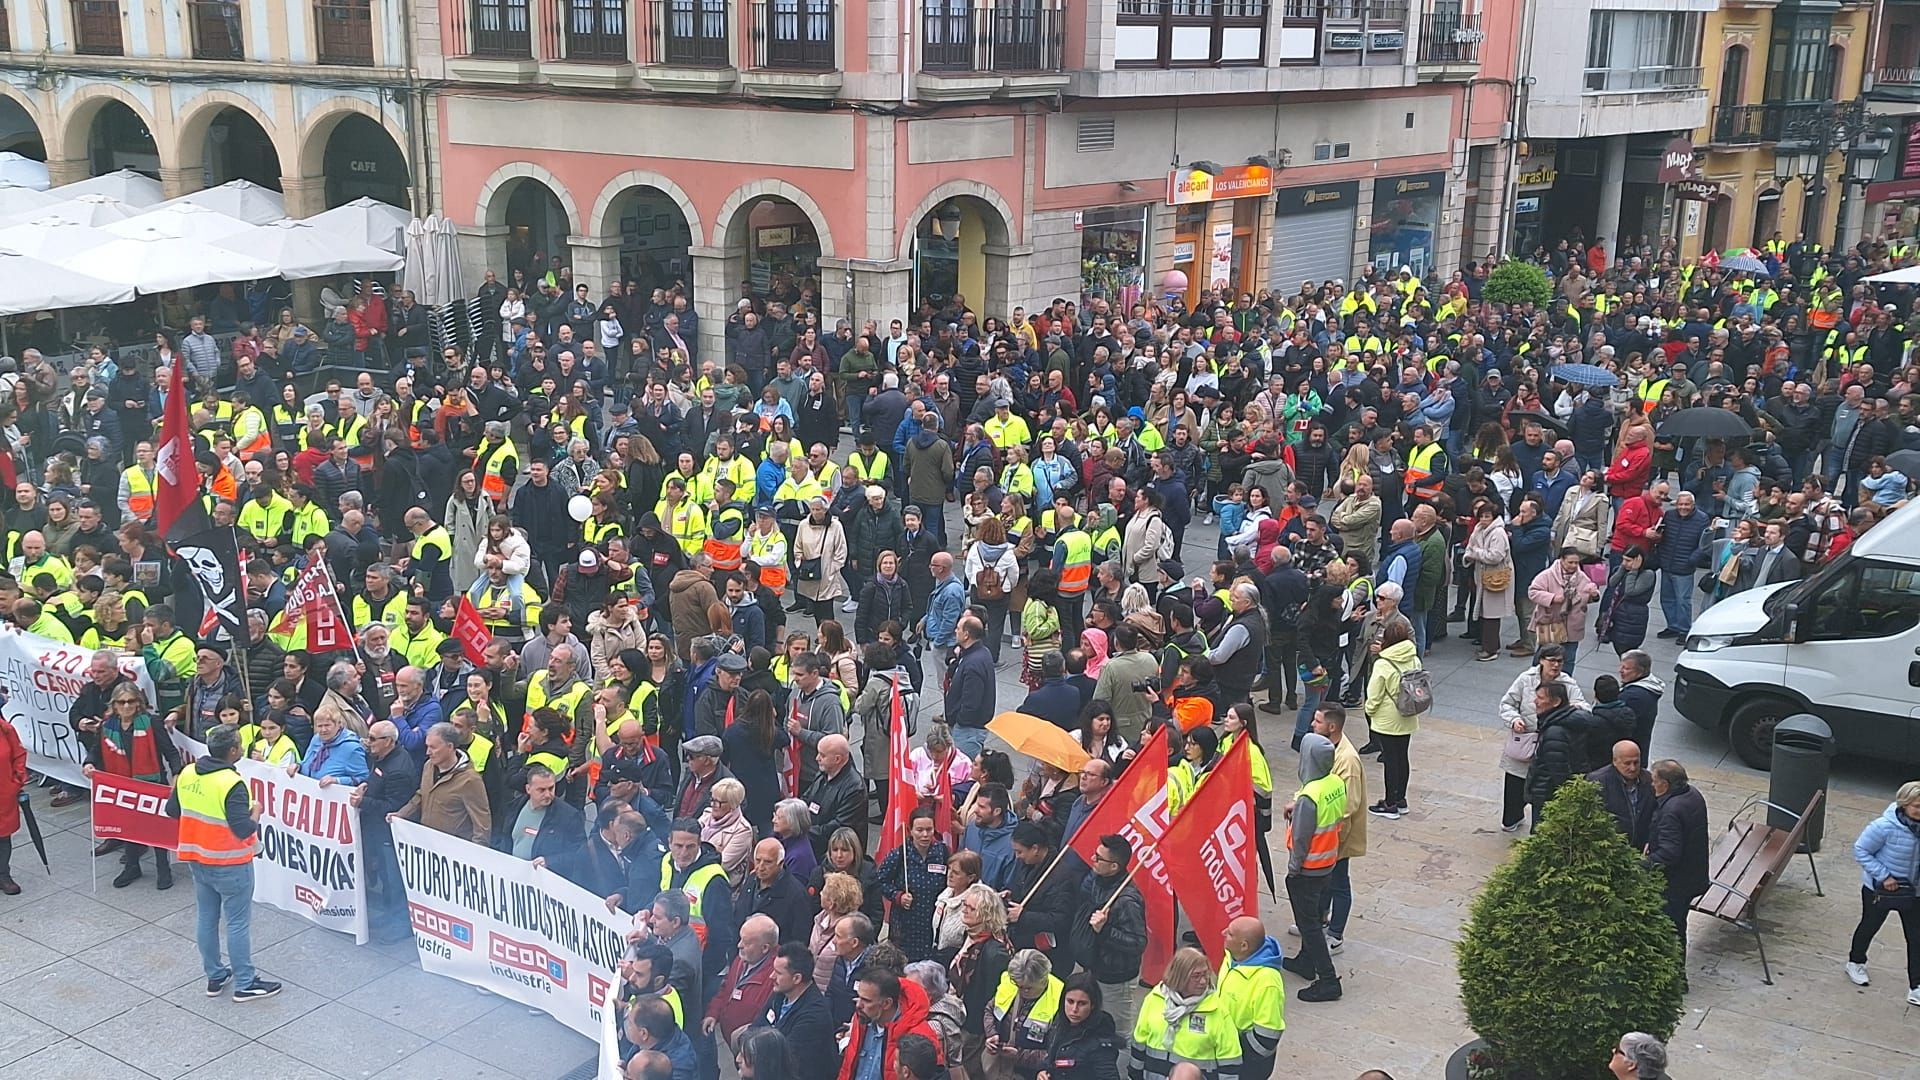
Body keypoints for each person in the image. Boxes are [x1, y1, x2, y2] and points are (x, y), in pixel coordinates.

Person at [164, 723, 281, 1001]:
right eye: (239, 745)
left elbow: (172, 811)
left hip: (197, 859)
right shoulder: (232, 782)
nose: (241, 748)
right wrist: (257, 812)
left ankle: (215, 976)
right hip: (229, 863)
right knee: (237, 922)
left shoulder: (188, 772)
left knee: (206, 917)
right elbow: (243, 829)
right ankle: (245, 982)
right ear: (232, 751)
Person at [1496, 645, 1587, 832]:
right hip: (1524, 742)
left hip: (1550, 744)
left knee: (1541, 788)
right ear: (1541, 660)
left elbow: (1582, 707)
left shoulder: (1568, 684)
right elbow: (1507, 703)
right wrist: (1514, 720)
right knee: (1515, 785)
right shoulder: (1525, 679)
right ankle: (1513, 817)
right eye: (1551, 660)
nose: (1555, 665)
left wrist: (1567, 713)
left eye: (1559, 661)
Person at [1283, 733, 1345, 1002]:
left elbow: (1301, 838)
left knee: (1309, 925)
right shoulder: (1334, 783)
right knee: (1315, 918)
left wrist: (1293, 868)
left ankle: (1328, 980)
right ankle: (1305, 961)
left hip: (1307, 868)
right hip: (1327, 863)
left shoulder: (1309, 795)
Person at [1127, 947, 1241, 1080]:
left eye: (1205, 974)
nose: (1203, 981)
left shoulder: (1216, 1009)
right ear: (1179, 976)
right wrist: (1134, 1076)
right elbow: (1139, 1042)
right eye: (1196, 976)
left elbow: (1230, 1060)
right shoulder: (1154, 999)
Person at [1645, 758, 1709, 961]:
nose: (1651, 784)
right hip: (1693, 876)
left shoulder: (1671, 810)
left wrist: (1641, 863)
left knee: (1672, 928)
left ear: (1665, 784)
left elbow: (1669, 854)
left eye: (1654, 780)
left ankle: (1676, 975)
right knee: (1678, 925)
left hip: (1676, 884)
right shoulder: (1692, 795)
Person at [948, 882, 1013, 1076]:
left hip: (974, 1027)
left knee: (968, 1072)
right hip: (960, 1016)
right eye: (964, 905)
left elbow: (990, 996)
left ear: (986, 914)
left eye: (971, 908)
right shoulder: (970, 935)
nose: (964, 910)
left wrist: (983, 1029)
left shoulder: (995, 951)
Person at [394, 721, 493, 846]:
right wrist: (401, 815)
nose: (428, 752)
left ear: (450, 746)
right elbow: (422, 795)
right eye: (427, 746)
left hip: (454, 852)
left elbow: (482, 822)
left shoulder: (470, 780)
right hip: (429, 846)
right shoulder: (429, 766)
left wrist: (476, 854)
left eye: (433, 747)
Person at [837, 967, 944, 1080]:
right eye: (858, 997)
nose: (858, 1005)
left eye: (866, 1000)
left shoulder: (920, 1035)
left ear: (887, 1003)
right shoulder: (863, 1019)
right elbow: (847, 1068)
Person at [1363, 620, 1420, 820]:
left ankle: (1390, 803)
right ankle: (1401, 799)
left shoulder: (1383, 663)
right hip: (1408, 715)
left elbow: (1374, 694)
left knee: (1390, 760)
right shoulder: (1413, 658)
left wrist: (1369, 710)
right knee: (1402, 757)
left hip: (1387, 719)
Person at [878, 808, 951, 963]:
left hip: (932, 923)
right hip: (905, 926)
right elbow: (880, 880)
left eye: (929, 830)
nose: (925, 835)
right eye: (919, 830)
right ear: (910, 830)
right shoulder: (899, 855)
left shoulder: (943, 853)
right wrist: (897, 896)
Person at [1217, 916, 1285, 1080]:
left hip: (1247, 1064)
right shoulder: (1232, 958)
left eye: (1231, 934)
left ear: (1244, 945)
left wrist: (1231, 1047)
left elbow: (1266, 1039)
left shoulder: (1267, 982)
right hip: (1226, 1052)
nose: (1223, 933)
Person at [762, 941, 838, 1080]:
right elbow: (756, 1026)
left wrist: (755, 1050)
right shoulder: (780, 994)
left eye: (778, 973)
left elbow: (786, 1058)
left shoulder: (814, 1015)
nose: (771, 976)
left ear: (797, 978)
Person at [985, 948, 1063, 1080]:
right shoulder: (1010, 982)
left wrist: (1019, 1055)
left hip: (1032, 1073)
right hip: (999, 1067)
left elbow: (1056, 1053)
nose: (1021, 991)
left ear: (1044, 981)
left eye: (1027, 988)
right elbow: (990, 1010)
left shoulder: (1061, 1000)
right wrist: (991, 1034)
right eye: (1017, 985)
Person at [1524, 681, 1597, 823]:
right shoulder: (1568, 721)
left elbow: (1559, 770)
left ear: (1556, 702)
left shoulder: (1555, 732)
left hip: (1547, 792)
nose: (1535, 701)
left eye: (1540, 698)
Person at [704, 914, 780, 1047]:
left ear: (765, 948)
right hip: (734, 1042)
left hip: (752, 1049)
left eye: (746, 942)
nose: (739, 945)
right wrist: (713, 1013)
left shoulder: (776, 977)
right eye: (740, 939)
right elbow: (726, 987)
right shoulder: (743, 958)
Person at [1037, 975, 1121, 1080]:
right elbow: (1051, 1055)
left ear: (1093, 1005)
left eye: (1082, 1003)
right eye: (1070, 1001)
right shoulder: (1059, 1022)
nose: (1074, 1009)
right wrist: (1043, 1071)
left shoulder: (1100, 1042)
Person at [741, 837, 814, 945]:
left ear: (780, 863)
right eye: (758, 860)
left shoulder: (797, 895)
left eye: (768, 862)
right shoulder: (751, 880)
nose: (761, 867)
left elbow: (799, 940)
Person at [1588, 740, 1654, 851]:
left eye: (1636, 762)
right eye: (1627, 763)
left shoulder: (1649, 780)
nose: (1633, 768)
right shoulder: (1598, 782)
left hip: (1640, 849)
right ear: (1615, 761)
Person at [0, 706, 24, 895]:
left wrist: (17, 781)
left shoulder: (5, 729)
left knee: (3, 836)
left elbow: (19, 755)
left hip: (3, 793)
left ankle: (3, 874)